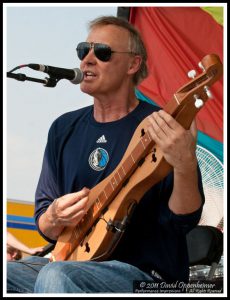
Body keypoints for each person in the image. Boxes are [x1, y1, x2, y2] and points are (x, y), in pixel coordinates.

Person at [7, 15, 204, 293]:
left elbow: (183, 221)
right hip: (69, 259)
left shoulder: (162, 126)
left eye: (102, 52)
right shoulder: (63, 128)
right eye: (82, 50)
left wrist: (185, 163)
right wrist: (54, 216)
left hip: (147, 275)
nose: (87, 59)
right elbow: (44, 223)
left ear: (133, 64)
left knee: (56, 277)